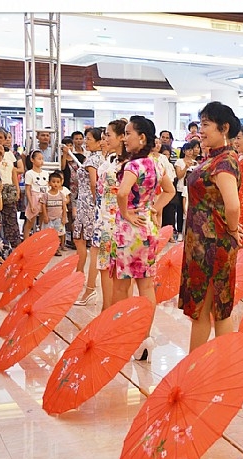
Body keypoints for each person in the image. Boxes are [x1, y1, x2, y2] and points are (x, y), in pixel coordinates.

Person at [177, 102, 242, 353]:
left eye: (206, 125)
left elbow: (232, 205)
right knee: (206, 307)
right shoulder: (213, 158)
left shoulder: (225, 161)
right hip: (202, 243)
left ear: (223, 128)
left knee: (215, 307)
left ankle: (208, 364)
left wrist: (233, 230)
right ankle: (200, 364)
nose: (200, 130)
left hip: (213, 245)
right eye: (201, 124)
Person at [111, 116, 175, 359]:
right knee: (146, 286)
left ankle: (122, 336)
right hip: (147, 227)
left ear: (142, 138)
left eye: (128, 133)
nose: (125, 138)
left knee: (121, 286)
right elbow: (169, 190)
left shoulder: (133, 166)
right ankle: (144, 338)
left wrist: (126, 213)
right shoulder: (157, 164)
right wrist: (154, 209)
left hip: (128, 231)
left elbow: (123, 193)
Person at [92, 119, 126, 311]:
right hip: (104, 220)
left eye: (108, 134)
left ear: (121, 137)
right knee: (104, 266)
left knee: (121, 272)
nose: (104, 138)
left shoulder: (130, 164)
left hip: (120, 222)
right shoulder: (110, 161)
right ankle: (107, 308)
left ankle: (117, 310)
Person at [73, 128, 102, 306]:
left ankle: (81, 278)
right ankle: (79, 276)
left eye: (89, 139)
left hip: (87, 204)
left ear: (98, 142)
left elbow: (93, 183)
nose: (86, 141)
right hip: (86, 202)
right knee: (82, 240)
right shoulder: (96, 158)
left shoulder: (93, 159)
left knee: (83, 240)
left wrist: (94, 202)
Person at [22, 150, 48, 240]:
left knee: (42, 223)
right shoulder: (29, 173)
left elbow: (47, 186)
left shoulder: (45, 173)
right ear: (32, 160)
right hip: (34, 197)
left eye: (42, 159)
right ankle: (26, 241)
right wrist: (31, 203)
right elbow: (28, 189)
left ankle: (41, 241)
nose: (41, 161)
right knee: (30, 222)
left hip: (44, 197)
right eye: (39, 159)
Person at [41, 171, 68, 256]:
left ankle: (56, 249)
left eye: (58, 182)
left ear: (61, 183)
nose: (55, 184)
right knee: (48, 235)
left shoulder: (61, 195)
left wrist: (64, 217)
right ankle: (48, 249)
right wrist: (45, 216)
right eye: (53, 182)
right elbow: (43, 205)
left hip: (58, 219)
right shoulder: (46, 195)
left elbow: (64, 207)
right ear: (49, 183)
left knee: (58, 235)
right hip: (49, 219)